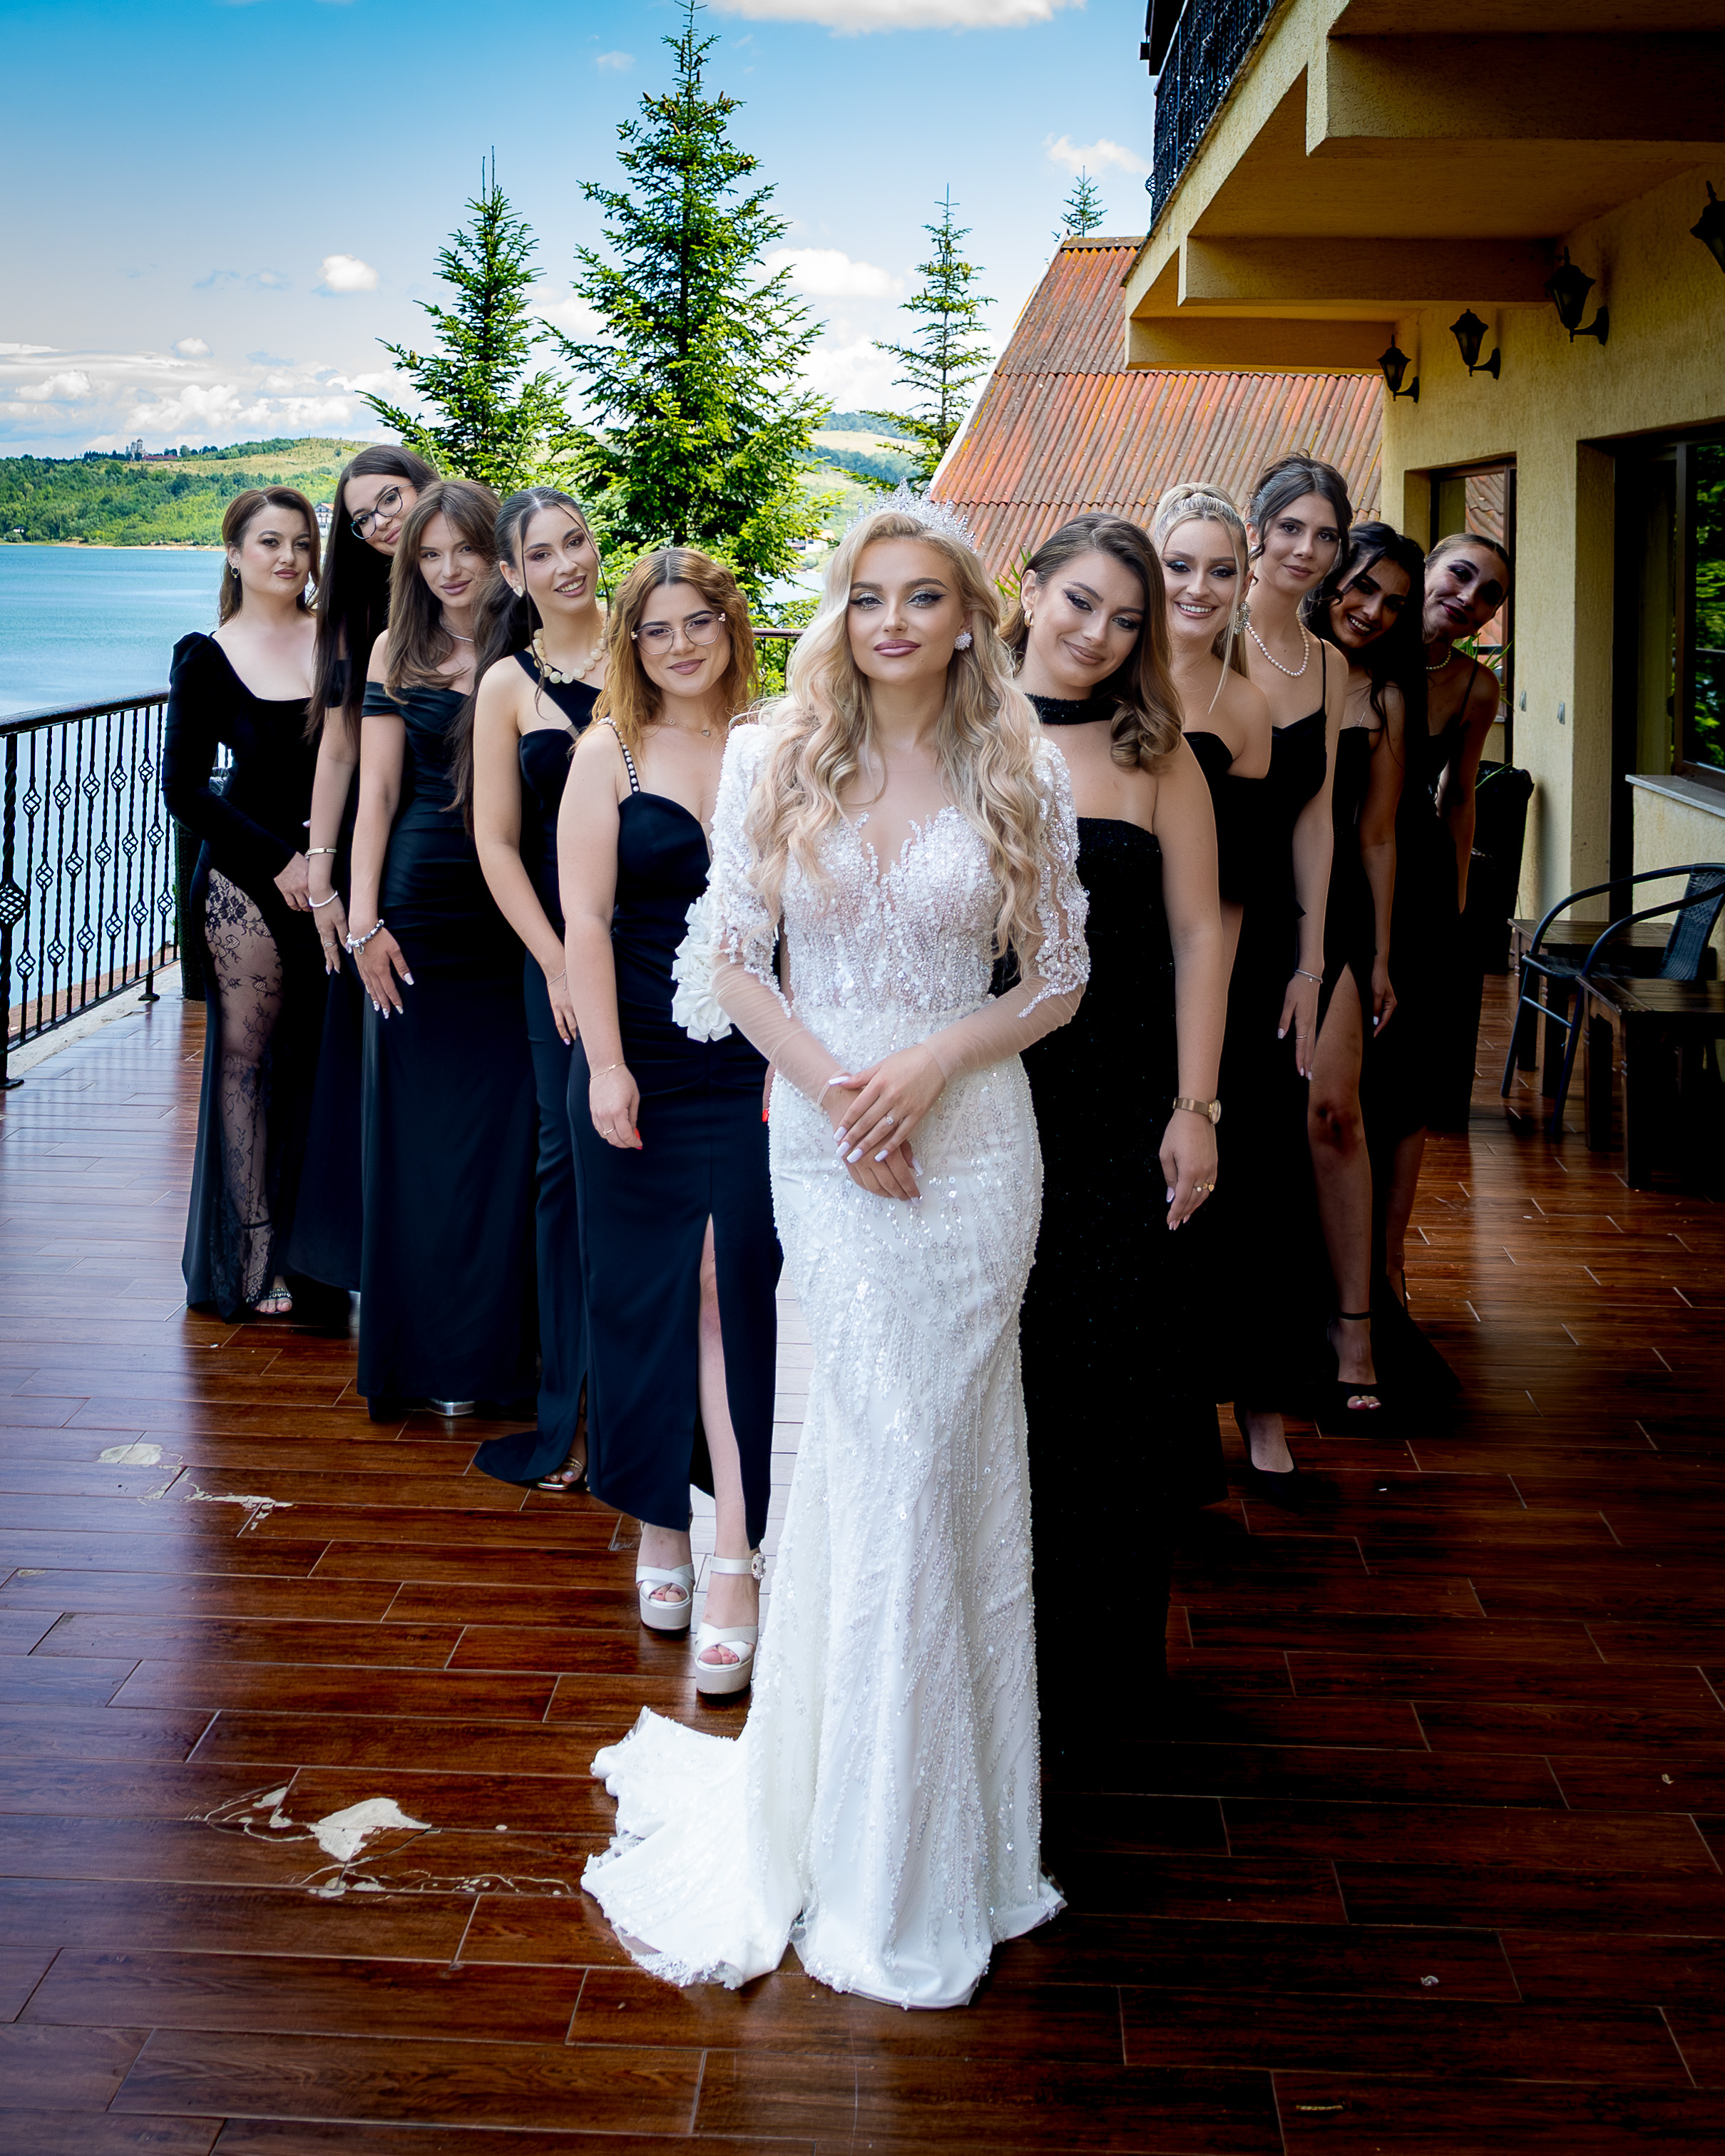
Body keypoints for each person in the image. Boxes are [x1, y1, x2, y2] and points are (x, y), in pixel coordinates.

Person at [583, 500, 1088, 2009]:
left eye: (922, 597)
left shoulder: (1020, 761)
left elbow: (1059, 977)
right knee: (878, 1455)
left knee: (939, 1462)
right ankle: (843, 1830)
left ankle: (944, 1839)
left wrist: (928, 1067)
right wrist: (840, 1094)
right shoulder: (770, 755)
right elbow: (731, 961)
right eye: (867, 596)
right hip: (822, 1139)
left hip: (973, 1141)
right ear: (839, 612)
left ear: (968, 616)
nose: (891, 622)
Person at [1004, 513, 1226, 1737]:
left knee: (1114, 1379)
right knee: (1004, 1370)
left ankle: (1103, 1670)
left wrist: (1195, 1105)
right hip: (990, 1094)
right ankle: (994, 1669)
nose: (1096, 634)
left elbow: (1200, 933)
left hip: (1126, 1103)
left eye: (1125, 619)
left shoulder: (1158, 752)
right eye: (1080, 602)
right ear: (1030, 589)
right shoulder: (959, 727)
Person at [558, 548, 779, 1690]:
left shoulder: (778, 743)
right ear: (631, 645)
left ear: (730, 628)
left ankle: (737, 1548)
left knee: (731, 1286)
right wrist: (604, 1065)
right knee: (645, 1294)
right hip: (636, 1059)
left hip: (753, 1060)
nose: (680, 644)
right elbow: (585, 923)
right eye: (656, 629)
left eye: (699, 622)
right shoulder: (609, 752)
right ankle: (660, 1522)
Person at [347, 478, 537, 1418]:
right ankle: (420, 1364)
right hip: (419, 914)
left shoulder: (532, 638)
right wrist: (363, 921)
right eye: (429, 555)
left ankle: (503, 1360)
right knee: (415, 1145)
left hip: (517, 913)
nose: (449, 569)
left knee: (508, 1141)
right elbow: (376, 794)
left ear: (496, 552)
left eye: (464, 548)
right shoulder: (397, 647)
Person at [461, 488, 607, 1493]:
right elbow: (495, 843)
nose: (567, 565)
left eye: (576, 542)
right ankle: (570, 1416)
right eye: (542, 554)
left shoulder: (649, 649)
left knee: (645, 1169)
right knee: (566, 1176)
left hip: (655, 943)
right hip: (553, 951)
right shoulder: (506, 686)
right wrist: (556, 962)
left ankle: (650, 1410)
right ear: (513, 575)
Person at [1211, 455, 1351, 1502]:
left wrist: (1310, 962)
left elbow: (1317, 817)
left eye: (1325, 534)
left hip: (1274, 944)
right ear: (1256, 533)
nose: (1306, 549)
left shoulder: (1330, 664)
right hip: (1182, 927)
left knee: (1265, 1162)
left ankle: (1263, 1407)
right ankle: (1174, 1405)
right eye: (1290, 528)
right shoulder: (1204, 636)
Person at [165, 487, 323, 1320]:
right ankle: (255, 1253)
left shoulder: (341, 640)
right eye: (269, 542)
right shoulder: (208, 656)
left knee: (319, 1062)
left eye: (301, 541)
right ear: (234, 553)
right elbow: (185, 789)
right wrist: (280, 861)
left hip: (332, 879)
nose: (288, 557)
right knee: (246, 1064)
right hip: (245, 884)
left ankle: (319, 1248)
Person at [287, 446, 438, 1296]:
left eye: (389, 500)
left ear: (424, 489)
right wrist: (323, 874)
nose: (379, 522)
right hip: (383, 849)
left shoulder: (475, 588)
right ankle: (370, 1260)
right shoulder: (355, 616)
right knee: (369, 1050)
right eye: (361, 517)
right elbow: (341, 750)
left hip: (470, 842)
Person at [1301, 523, 1425, 1420]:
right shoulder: (1258, 661)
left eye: (1393, 603)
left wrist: (1379, 954)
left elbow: (1378, 836)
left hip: (1342, 913)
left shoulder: (1383, 697)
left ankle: (1355, 1327)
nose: (1373, 610)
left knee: (1334, 1112)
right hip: (1244, 905)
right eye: (1364, 586)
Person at [1382, 532, 1511, 1313]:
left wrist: (1456, 902)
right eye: (1459, 575)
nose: (1469, 597)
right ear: (1425, 571)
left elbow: (1459, 795)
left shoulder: (1473, 687)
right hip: (1336, 868)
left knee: (1407, 1081)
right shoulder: (1356, 649)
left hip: (1420, 884)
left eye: (1489, 593)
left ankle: (1391, 1266)